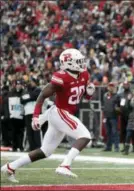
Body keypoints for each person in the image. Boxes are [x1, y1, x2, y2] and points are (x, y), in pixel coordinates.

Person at [1, 49, 95, 183]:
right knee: (85, 136)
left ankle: (10, 167)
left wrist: (89, 93)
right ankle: (65, 165)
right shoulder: (61, 78)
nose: (81, 63)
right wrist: (35, 116)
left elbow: (82, 96)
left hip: (61, 114)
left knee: (45, 151)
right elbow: (42, 96)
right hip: (60, 112)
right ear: (68, 63)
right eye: (78, 61)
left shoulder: (84, 74)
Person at [21, 78, 42, 151]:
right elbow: (21, 100)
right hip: (27, 112)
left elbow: (34, 96)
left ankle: (38, 146)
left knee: (36, 129)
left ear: (36, 83)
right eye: (31, 82)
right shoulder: (27, 90)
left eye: (32, 82)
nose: (31, 83)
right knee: (29, 131)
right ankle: (32, 146)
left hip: (35, 113)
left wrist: (27, 97)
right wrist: (29, 97)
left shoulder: (38, 89)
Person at [103, 82, 120, 152]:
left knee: (114, 132)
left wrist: (117, 110)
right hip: (106, 116)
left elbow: (119, 106)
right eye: (109, 86)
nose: (110, 87)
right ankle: (108, 147)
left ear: (114, 87)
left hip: (113, 116)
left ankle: (116, 147)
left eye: (112, 86)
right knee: (108, 132)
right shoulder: (105, 95)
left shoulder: (117, 96)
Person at [8, 80, 25, 152]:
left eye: (20, 84)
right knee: (13, 132)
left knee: (20, 132)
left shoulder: (24, 93)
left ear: (21, 85)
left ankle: (20, 146)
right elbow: (9, 104)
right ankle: (14, 147)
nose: (18, 86)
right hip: (13, 116)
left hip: (21, 116)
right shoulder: (11, 93)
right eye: (17, 84)